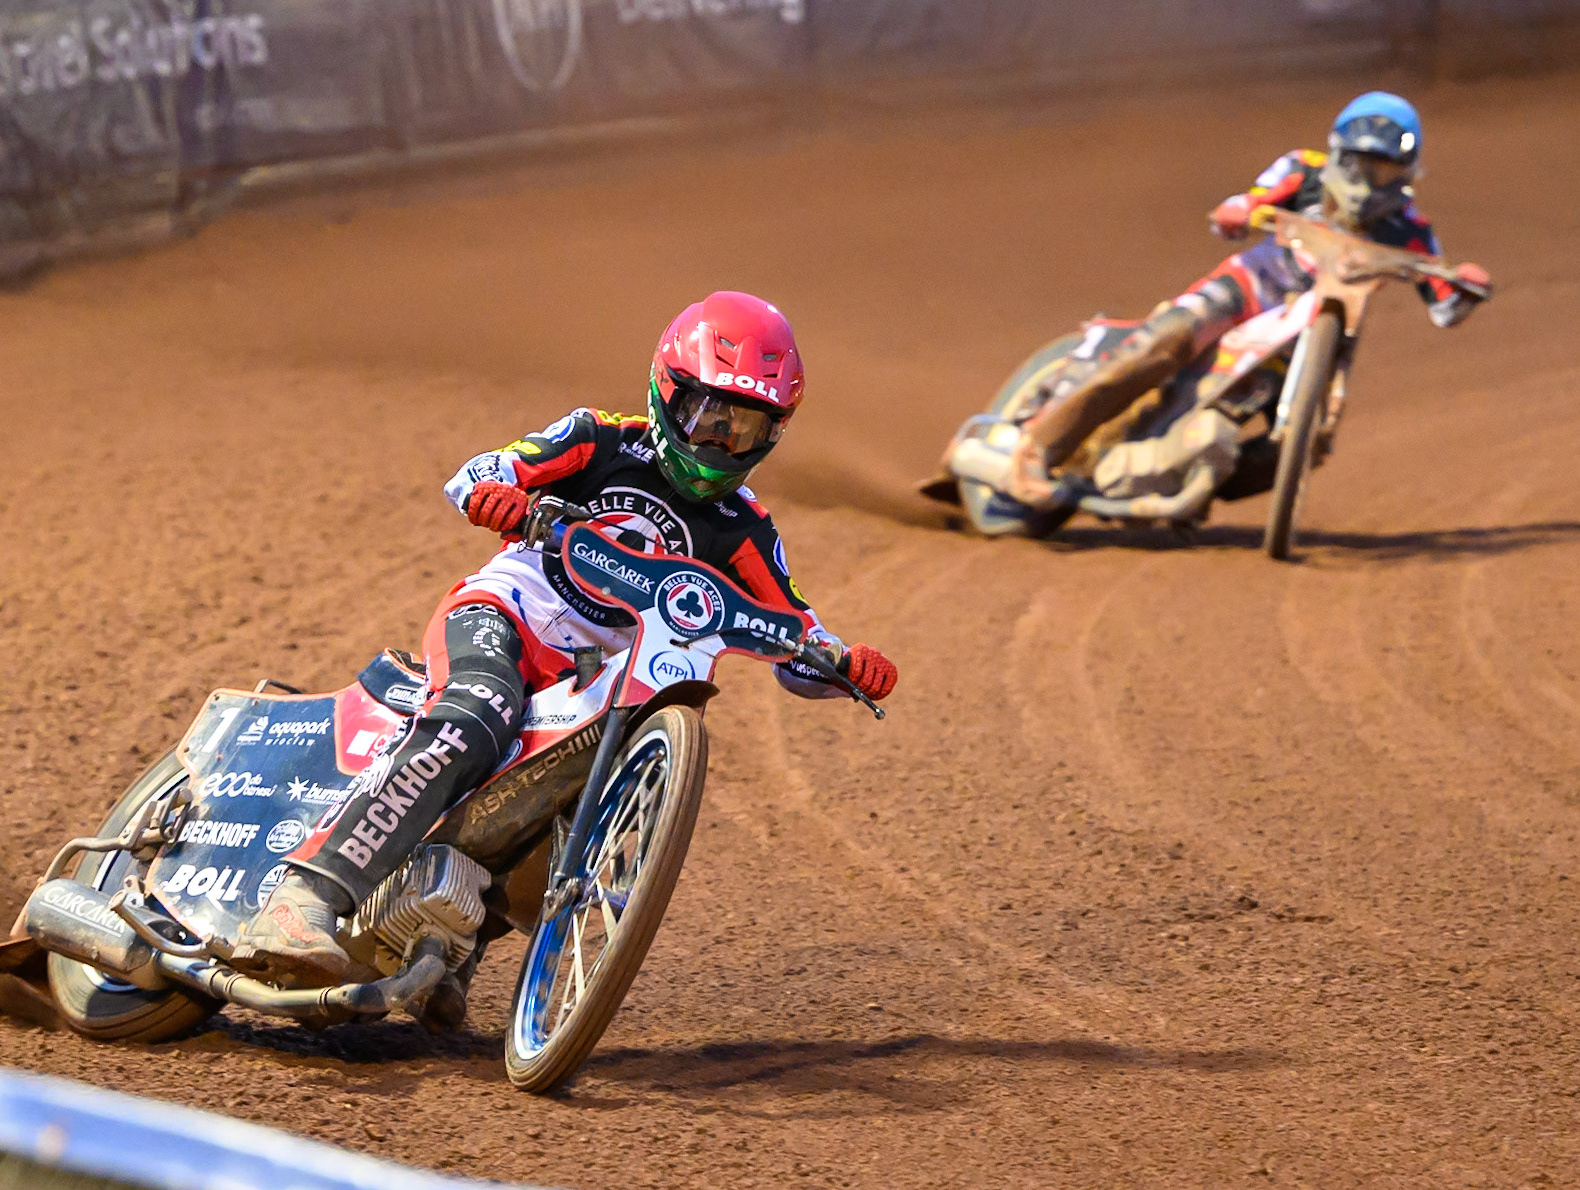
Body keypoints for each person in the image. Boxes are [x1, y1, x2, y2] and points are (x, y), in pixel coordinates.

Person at [231, 291, 898, 1019]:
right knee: (477, 710)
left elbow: (795, 633)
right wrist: (499, 497)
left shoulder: (745, 528)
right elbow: (476, 473)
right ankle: (305, 896)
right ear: (666, 394)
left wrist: (842, 665)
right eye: (709, 417)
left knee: (580, 804)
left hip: (596, 681)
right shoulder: (599, 439)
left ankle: (448, 940)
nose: (719, 445)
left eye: (746, 430)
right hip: (509, 617)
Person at [1007, 91, 1492, 506]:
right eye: (1363, 165)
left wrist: (1468, 286)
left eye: (1385, 171)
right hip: (1250, 289)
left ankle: (1189, 485)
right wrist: (1239, 210)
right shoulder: (1304, 170)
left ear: (1407, 172)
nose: (1370, 182)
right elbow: (1250, 202)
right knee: (1167, 340)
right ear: (1340, 155)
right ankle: (1038, 448)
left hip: (1323, 330)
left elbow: (1444, 305)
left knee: (1312, 441)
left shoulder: (1412, 229)